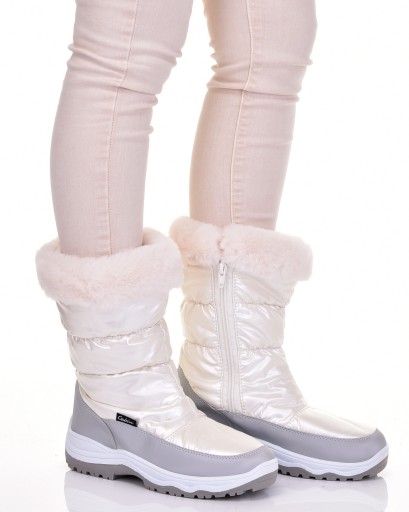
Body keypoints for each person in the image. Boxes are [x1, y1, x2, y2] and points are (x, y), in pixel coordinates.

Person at [35, 0, 388, 499]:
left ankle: (234, 377)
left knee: (271, 45)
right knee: (127, 46)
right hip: (118, 396)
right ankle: (120, 394)